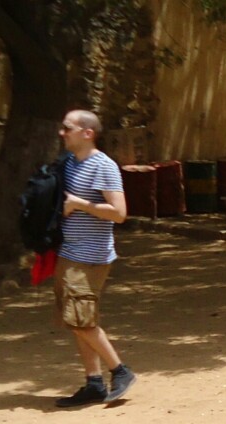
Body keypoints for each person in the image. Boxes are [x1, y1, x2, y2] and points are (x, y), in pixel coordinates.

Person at [52, 109, 135, 408]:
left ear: (87, 132)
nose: (62, 133)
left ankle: (120, 371)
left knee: (81, 319)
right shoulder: (71, 164)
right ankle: (94, 383)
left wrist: (80, 204)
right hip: (68, 252)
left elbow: (120, 213)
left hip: (90, 255)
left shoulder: (103, 166)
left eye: (67, 128)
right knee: (76, 320)